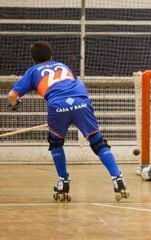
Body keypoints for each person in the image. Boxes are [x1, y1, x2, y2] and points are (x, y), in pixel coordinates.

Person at [7, 41, 129, 202]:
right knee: (97, 142)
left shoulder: (33, 71)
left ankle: (63, 182)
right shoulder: (62, 66)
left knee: (56, 143)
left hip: (57, 105)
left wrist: (16, 105)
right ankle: (118, 178)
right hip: (82, 101)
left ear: (33, 59)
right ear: (51, 55)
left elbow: (12, 95)